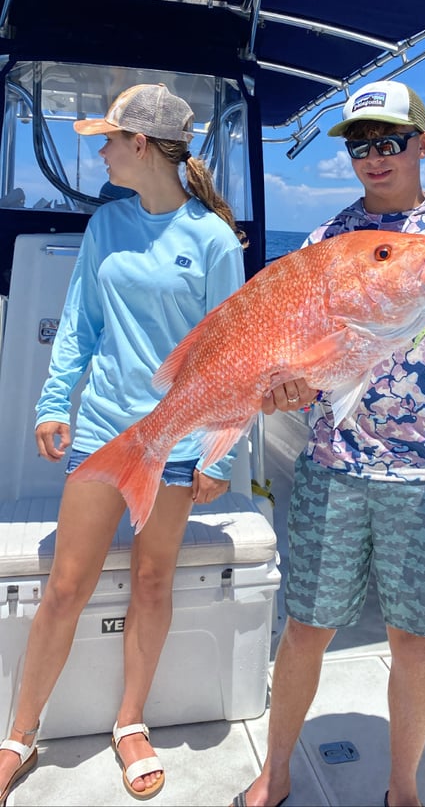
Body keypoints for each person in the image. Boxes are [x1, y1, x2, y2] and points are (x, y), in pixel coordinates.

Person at [231, 79, 425, 807]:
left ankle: (401, 788)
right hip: (333, 465)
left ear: (424, 143)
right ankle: (279, 770)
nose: (373, 157)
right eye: (361, 145)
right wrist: (281, 388)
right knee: (306, 628)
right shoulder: (328, 241)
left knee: (416, 642)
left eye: (389, 141)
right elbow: (288, 359)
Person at [0, 82, 248, 803]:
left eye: (108, 140)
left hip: (175, 442)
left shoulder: (211, 240)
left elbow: (228, 359)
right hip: (107, 431)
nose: (100, 151)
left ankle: (130, 722)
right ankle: (18, 733)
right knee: (66, 586)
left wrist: (217, 454)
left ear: (142, 146)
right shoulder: (108, 222)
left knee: (151, 580)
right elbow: (80, 323)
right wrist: (55, 404)